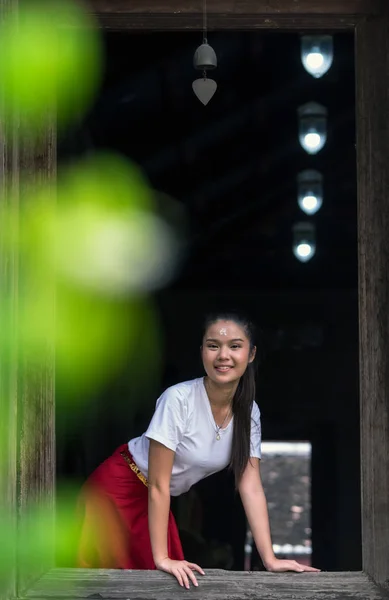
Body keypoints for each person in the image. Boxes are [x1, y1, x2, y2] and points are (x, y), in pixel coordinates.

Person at [77, 311, 320, 587]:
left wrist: (270, 559)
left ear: (251, 354)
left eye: (235, 346)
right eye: (213, 345)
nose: (223, 355)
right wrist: (162, 558)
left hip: (152, 501)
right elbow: (158, 483)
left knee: (168, 586)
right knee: (120, 584)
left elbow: (250, 485)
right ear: (202, 351)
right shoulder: (178, 399)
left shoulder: (248, 412)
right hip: (118, 490)